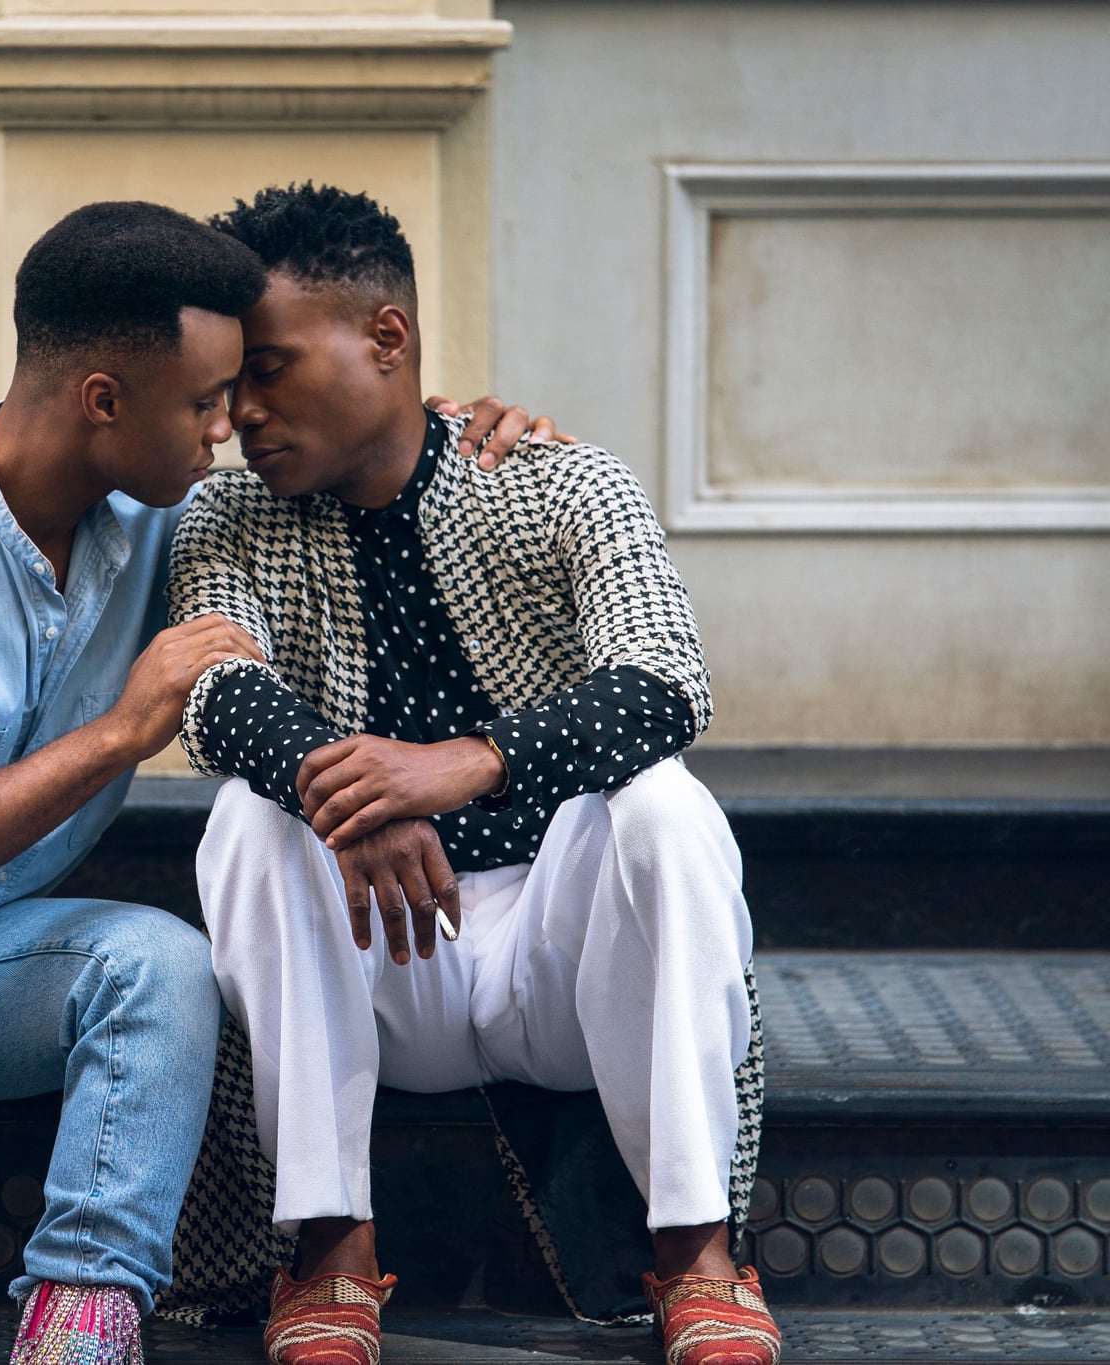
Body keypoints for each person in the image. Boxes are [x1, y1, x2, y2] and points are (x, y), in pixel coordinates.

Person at [0, 198, 548, 1365]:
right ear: (103, 401)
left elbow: (350, 458)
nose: (230, 427)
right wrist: (118, 734)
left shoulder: (159, 517)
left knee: (159, 961)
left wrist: (448, 422)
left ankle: (82, 1323)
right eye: (205, 401)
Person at [170, 184, 778, 1365]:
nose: (240, 411)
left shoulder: (558, 482)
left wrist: (462, 765)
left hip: (561, 962)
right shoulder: (225, 519)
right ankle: (328, 1249)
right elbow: (212, 691)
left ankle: (696, 1256)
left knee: (664, 805)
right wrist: (346, 793)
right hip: (369, 960)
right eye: (230, 381)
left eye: (271, 369)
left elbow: (666, 681)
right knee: (244, 817)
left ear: (384, 338)